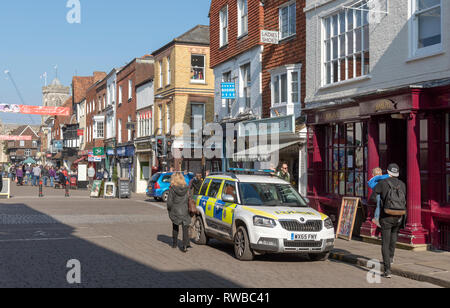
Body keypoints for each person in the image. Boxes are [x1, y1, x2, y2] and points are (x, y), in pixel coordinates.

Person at [369, 163, 406, 279]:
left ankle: (387, 269)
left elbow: (373, 198)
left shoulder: (382, 183)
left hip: (386, 216)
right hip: (399, 215)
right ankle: (391, 257)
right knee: (394, 236)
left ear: (388, 172)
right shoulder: (402, 184)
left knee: (385, 242)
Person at [167, 172, 191, 253]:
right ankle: (185, 246)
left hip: (175, 210)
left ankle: (174, 243)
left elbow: (169, 202)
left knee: (175, 226)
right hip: (185, 210)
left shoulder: (172, 189)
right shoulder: (186, 188)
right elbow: (188, 199)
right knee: (185, 228)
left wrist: (169, 209)